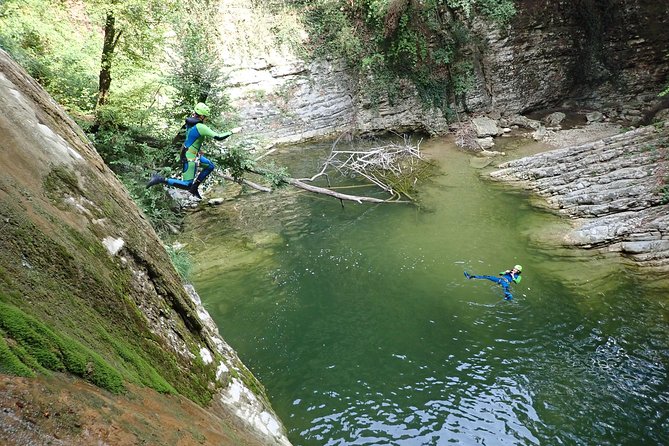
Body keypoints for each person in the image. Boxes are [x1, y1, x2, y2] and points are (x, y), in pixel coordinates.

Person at [147, 102, 241, 199]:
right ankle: (159, 179)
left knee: (210, 166)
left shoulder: (190, 122)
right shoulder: (200, 126)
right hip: (189, 157)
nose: (206, 118)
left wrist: (198, 150)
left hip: (190, 153)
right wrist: (232, 131)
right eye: (206, 117)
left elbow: (192, 139)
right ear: (202, 116)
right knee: (187, 184)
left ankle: (194, 188)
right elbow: (218, 137)